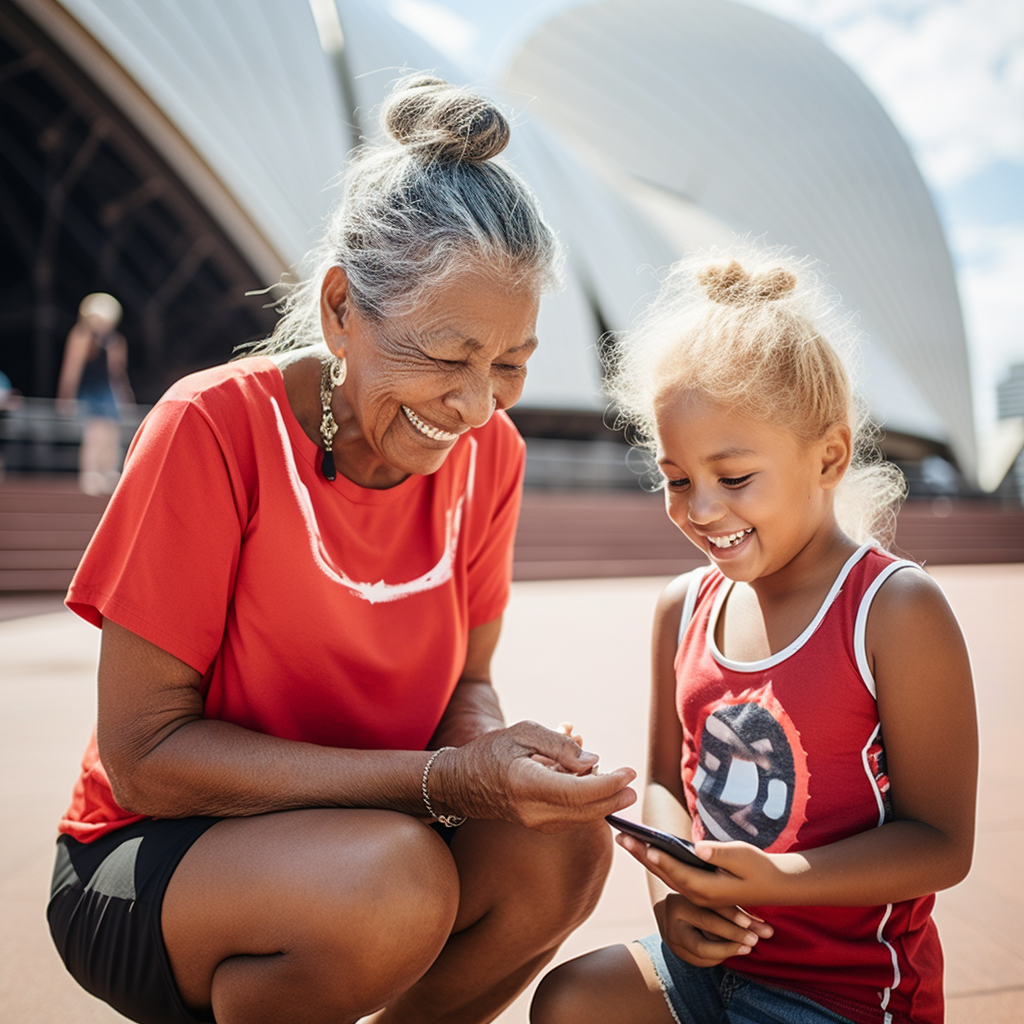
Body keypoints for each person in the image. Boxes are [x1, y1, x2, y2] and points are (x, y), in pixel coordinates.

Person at [46, 75, 637, 1024]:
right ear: (338, 312)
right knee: (387, 884)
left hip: (371, 831)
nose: (477, 405)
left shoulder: (493, 456)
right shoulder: (212, 427)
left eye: (511, 365)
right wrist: (444, 782)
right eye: (447, 358)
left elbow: (465, 687)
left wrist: (500, 759)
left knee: (563, 850)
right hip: (157, 852)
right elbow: (145, 757)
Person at [530, 248, 977, 1024]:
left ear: (829, 455)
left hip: (847, 997)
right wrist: (674, 892)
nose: (700, 510)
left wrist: (777, 880)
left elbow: (941, 842)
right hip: (707, 970)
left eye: (733, 479)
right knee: (571, 1001)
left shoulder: (894, 610)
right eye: (676, 479)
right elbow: (670, 785)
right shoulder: (684, 606)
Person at [57, 291, 134, 495]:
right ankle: (91, 475)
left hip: (107, 392)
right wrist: (66, 395)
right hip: (89, 391)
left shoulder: (115, 341)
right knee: (94, 434)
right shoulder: (80, 336)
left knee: (110, 434)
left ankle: (108, 474)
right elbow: (72, 368)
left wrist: (125, 397)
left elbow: (118, 374)